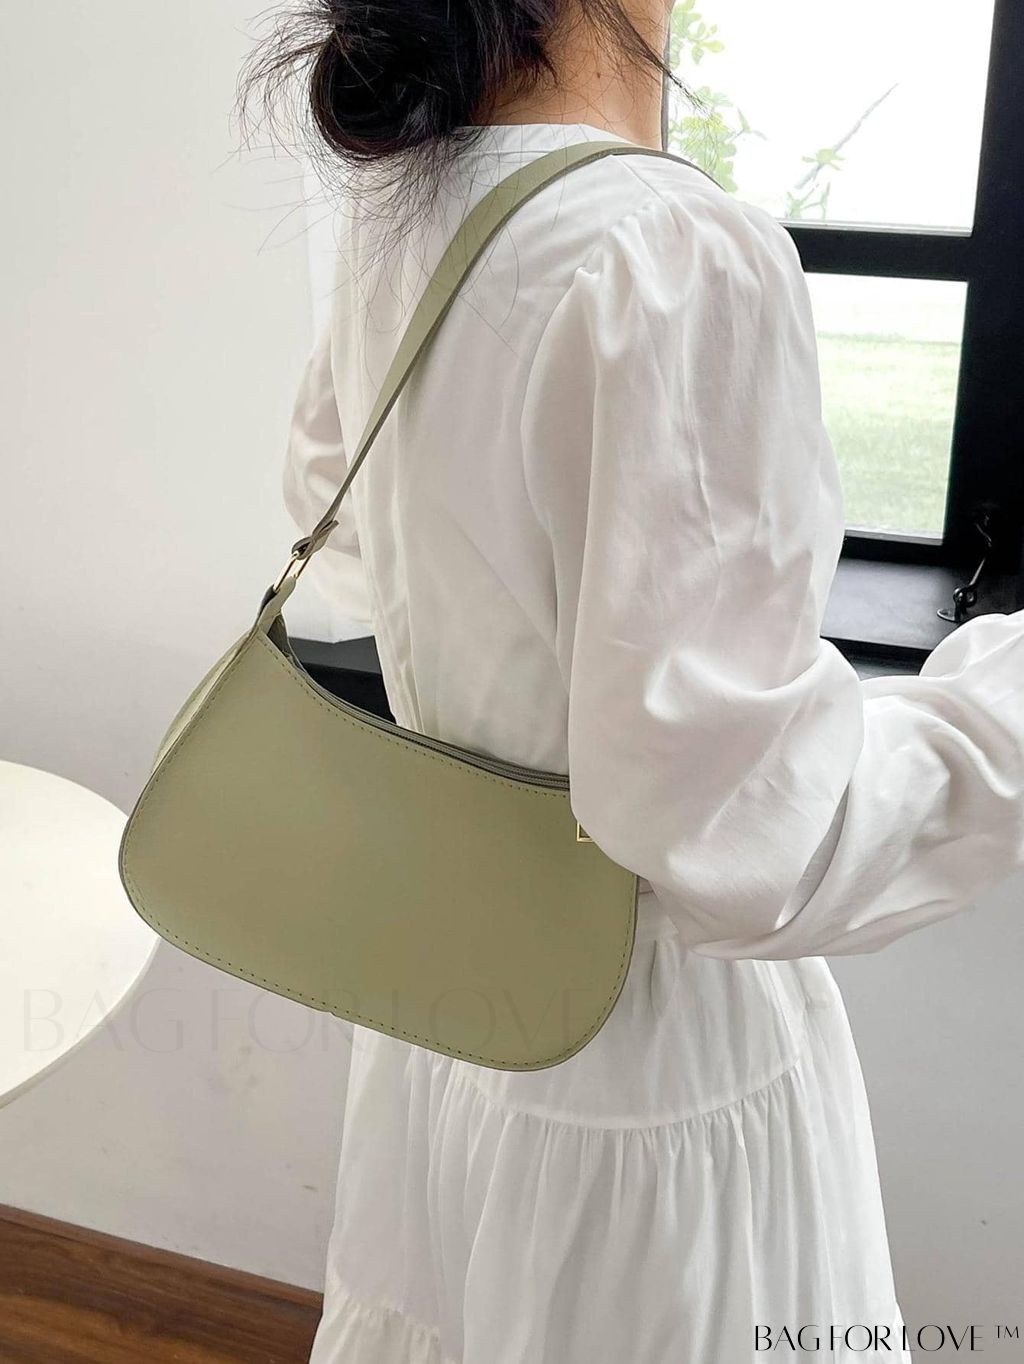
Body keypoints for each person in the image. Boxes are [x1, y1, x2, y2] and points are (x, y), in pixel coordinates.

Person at [237, 3, 1024, 1360]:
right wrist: (1002, 717)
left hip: (453, 998)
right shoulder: (663, 247)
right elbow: (748, 837)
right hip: (641, 1071)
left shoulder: (409, 204)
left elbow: (341, 543)